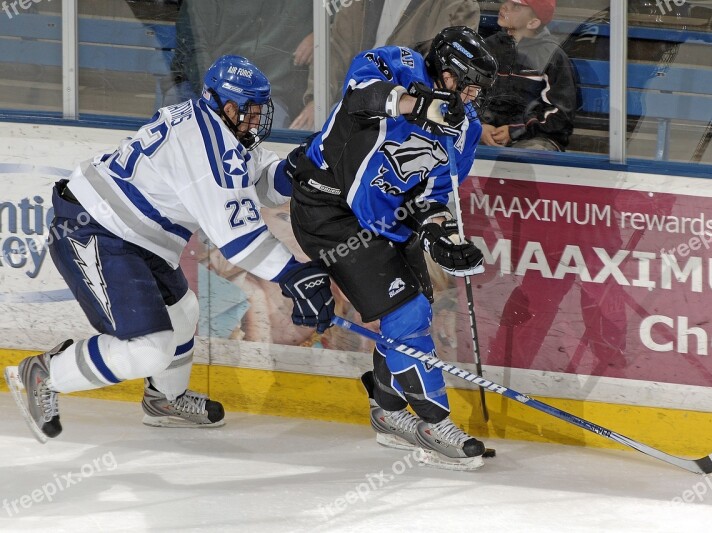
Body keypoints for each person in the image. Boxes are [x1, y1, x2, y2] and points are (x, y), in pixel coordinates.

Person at [3, 55, 335, 442]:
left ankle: (164, 398)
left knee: (184, 311)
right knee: (148, 349)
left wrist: (295, 168)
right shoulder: (207, 147)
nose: (258, 120)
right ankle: (46, 373)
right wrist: (293, 274)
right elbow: (239, 240)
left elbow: (258, 179)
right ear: (228, 107)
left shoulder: (215, 126)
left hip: (137, 235)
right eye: (251, 111)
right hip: (96, 228)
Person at [286, 26, 498, 470]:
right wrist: (419, 105)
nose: (474, 97)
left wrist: (441, 235)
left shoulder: (466, 128)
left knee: (416, 306)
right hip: (330, 210)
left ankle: (387, 411)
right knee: (407, 313)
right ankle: (432, 423)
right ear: (448, 73)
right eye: (471, 84)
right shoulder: (397, 63)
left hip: (388, 220)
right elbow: (359, 96)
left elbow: (434, 194)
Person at [289, 0, 481, 130]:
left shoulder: (457, 5)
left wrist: (404, 102)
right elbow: (336, 49)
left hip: (406, 113)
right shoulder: (357, 3)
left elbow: (444, 73)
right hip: (351, 99)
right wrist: (317, 100)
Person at [168, 0, 314, 128]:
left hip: (265, 95)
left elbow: (333, 15)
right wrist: (218, 96)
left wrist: (322, 33)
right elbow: (195, 48)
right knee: (171, 111)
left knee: (267, 124)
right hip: (209, 87)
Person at [480, 0, 577, 151]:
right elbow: (467, 93)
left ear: (533, 22)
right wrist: (479, 126)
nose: (505, 6)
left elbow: (560, 114)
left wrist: (516, 131)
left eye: (516, 6)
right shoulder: (486, 47)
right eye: (507, 1)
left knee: (528, 155)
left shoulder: (552, 56)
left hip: (537, 137)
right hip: (485, 132)